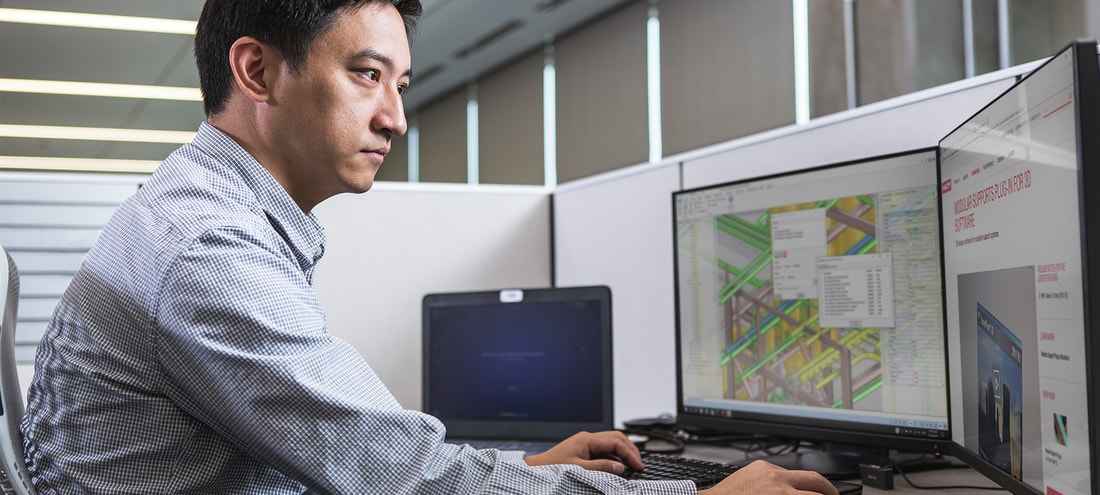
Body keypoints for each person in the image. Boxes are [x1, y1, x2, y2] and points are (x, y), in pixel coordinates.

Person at [19, 1, 839, 494]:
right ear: (258, 71)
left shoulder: (201, 210)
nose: (396, 118)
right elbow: (403, 480)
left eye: (400, 85)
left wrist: (526, 466)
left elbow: (365, 462)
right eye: (367, 75)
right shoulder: (208, 250)